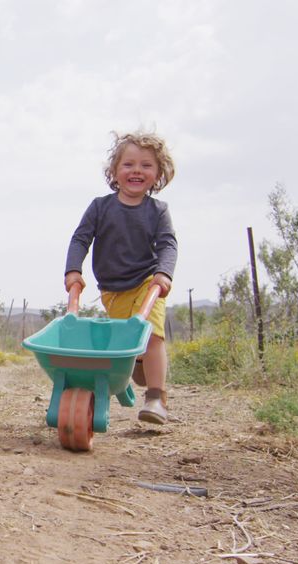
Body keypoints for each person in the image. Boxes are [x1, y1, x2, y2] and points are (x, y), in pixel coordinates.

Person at [64, 131, 177, 424]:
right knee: (126, 341)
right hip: (112, 290)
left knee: (151, 335)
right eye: (128, 164)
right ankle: (137, 360)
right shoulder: (100, 207)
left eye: (146, 165)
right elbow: (80, 239)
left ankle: (156, 398)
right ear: (114, 172)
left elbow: (167, 244)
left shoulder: (158, 211)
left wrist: (163, 274)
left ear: (158, 174)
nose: (136, 170)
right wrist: (74, 270)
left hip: (147, 283)